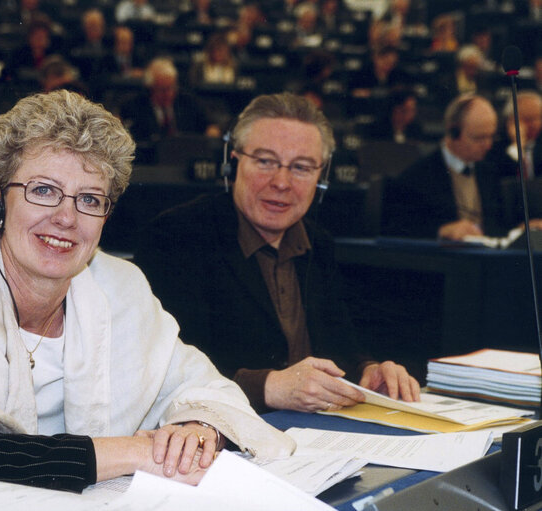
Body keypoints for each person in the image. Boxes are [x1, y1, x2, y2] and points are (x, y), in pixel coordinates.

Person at [0, 90, 295, 494]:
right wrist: (139, 452)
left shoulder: (121, 286)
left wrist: (198, 427)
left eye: (89, 199)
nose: (67, 218)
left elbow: (203, 386)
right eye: (44, 190)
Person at [133, 92, 420, 414]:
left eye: (301, 167)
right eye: (266, 161)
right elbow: (165, 372)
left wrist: (369, 369)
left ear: (321, 178)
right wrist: (269, 387)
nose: (281, 182)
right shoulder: (177, 236)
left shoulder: (318, 243)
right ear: (234, 161)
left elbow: (341, 347)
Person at [383, 94, 519, 240]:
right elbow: (398, 229)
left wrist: (521, 228)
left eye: (491, 136)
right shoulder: (418, 176)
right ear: (453, 132)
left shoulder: (492, 169)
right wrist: (441, 231)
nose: (488, 145)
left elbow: (501, 223)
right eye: (479, 138)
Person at [119, 57, 216, 142]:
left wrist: (211, 131)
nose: (169, 94)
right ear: (151, 88)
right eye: (163, 90)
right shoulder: (134, 107)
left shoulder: (188, 102)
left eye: (172, 88)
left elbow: (210, 126)